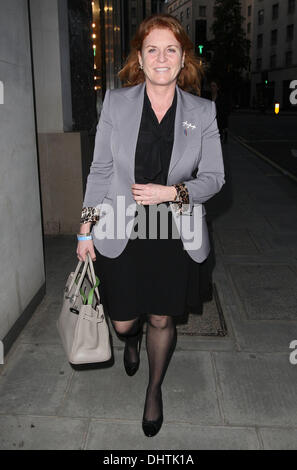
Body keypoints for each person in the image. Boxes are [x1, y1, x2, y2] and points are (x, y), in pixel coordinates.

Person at [77, 14, 225, 438]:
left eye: (171, 49)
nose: (162, 57)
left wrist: (172, 193)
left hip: (173, 232)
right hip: (122, 225)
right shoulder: (116, 102)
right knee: (124, 320)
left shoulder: (203, 111)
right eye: (152, 49)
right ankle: (130, 338)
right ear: (139, 59)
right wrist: (85, 228)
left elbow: (214, 178)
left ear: (184, 61)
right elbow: (101, 170)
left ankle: (154, 389)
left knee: (163, 319)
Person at [210, 79, 231, 143]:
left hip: (220, 122)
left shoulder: (222, 98)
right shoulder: (208, 98)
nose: (212, 88)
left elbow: (225, 111)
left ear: (217, 88)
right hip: (210, 123)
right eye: (211, 86)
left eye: (214, 86)